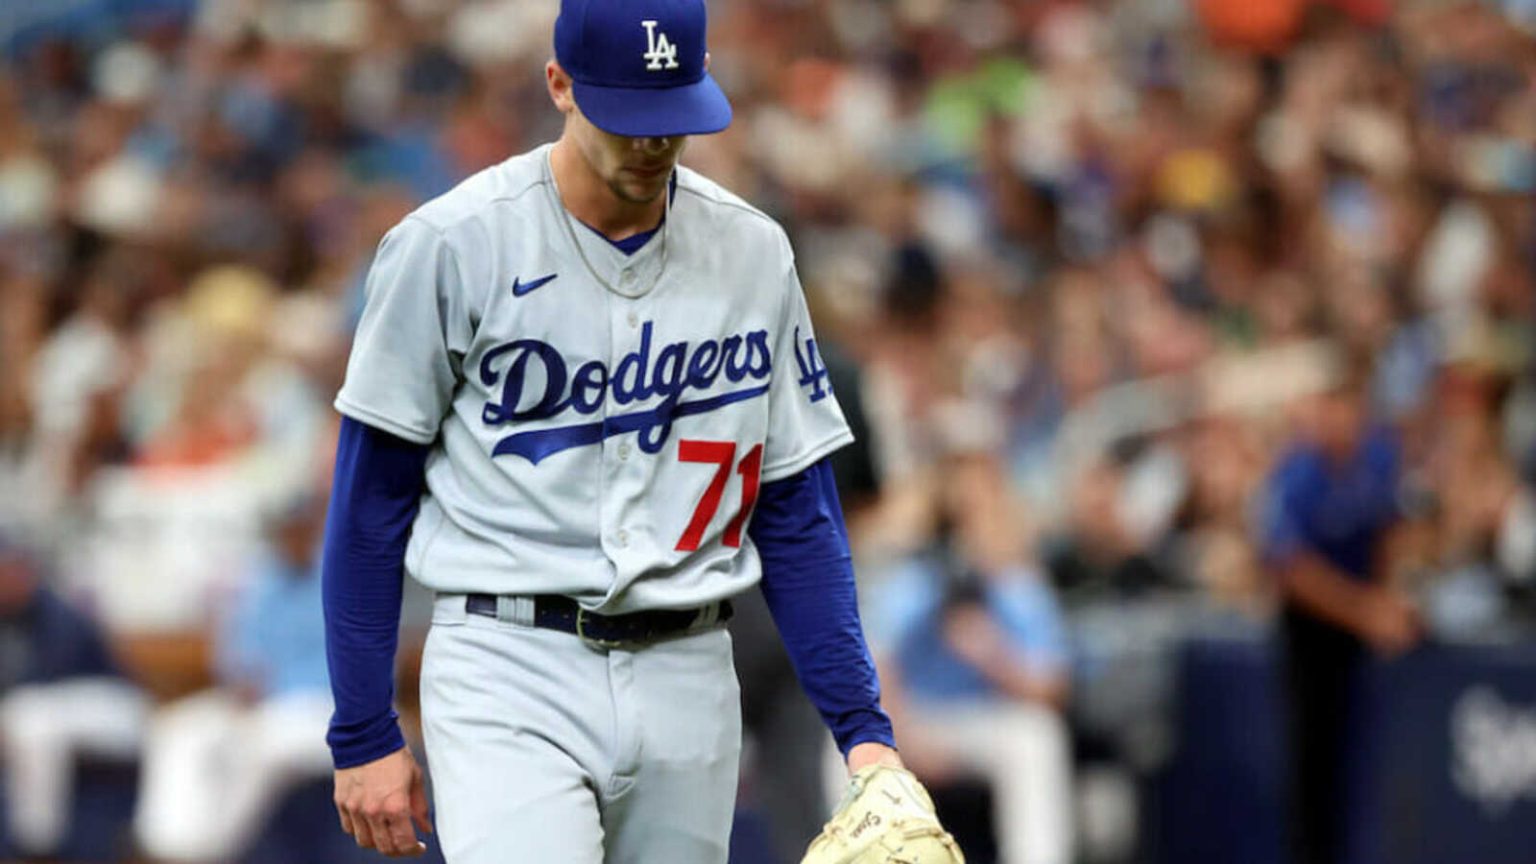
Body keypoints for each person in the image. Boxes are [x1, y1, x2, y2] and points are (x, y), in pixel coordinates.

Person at [319, 0, 905, 861]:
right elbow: (370, 501)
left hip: (692, 662)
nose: (652, 144)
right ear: (559, 85)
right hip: (507, 661)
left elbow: (794, 509)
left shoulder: (753, 252)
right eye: (627, 117)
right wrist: (363, 728)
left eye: (672, 118)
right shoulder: (452, 244)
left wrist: (866, 734)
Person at [872, 443, 1074, 864]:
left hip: (981, 720)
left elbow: (1053, 692)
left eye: (982, 509)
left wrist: (995, 656)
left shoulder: (1016, 584)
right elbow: (876, 666)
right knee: (843, 744)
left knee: (1036, 736)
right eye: (962, 512)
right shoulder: (916, 576)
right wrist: (903, 740)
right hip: (914, 719)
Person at [1260, 365, 1422, 864]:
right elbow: (1291, 569)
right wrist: (1365, 612)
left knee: (1372, 760)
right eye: (1327, 406)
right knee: (1312, 766)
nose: (1337, 419)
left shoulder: (1380, 457)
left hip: (1365, 632)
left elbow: (1395, 529)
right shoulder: (1296, 472)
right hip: (1310, 636)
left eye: (1346, 406)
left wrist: (1394, 594)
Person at [133, 495, 335, 862]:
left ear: (315, 530)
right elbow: (233, 652)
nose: (292, 538)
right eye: (285, 530)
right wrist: (242, 676)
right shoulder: (261, 580)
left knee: (255, 748)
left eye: (300, 529)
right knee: (177, 728)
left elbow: (361, 666)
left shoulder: (339, 578)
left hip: (319, 708)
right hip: (258, 704)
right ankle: (163, 847)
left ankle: (217, 852)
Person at [0, 531, 147, 858]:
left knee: (28, 719)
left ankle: (35, 847)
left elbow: (41, 680)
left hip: (111, 710)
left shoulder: (56, 615)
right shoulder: (8, 619)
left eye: (12, 568)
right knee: (26, 720)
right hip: (56, 716)